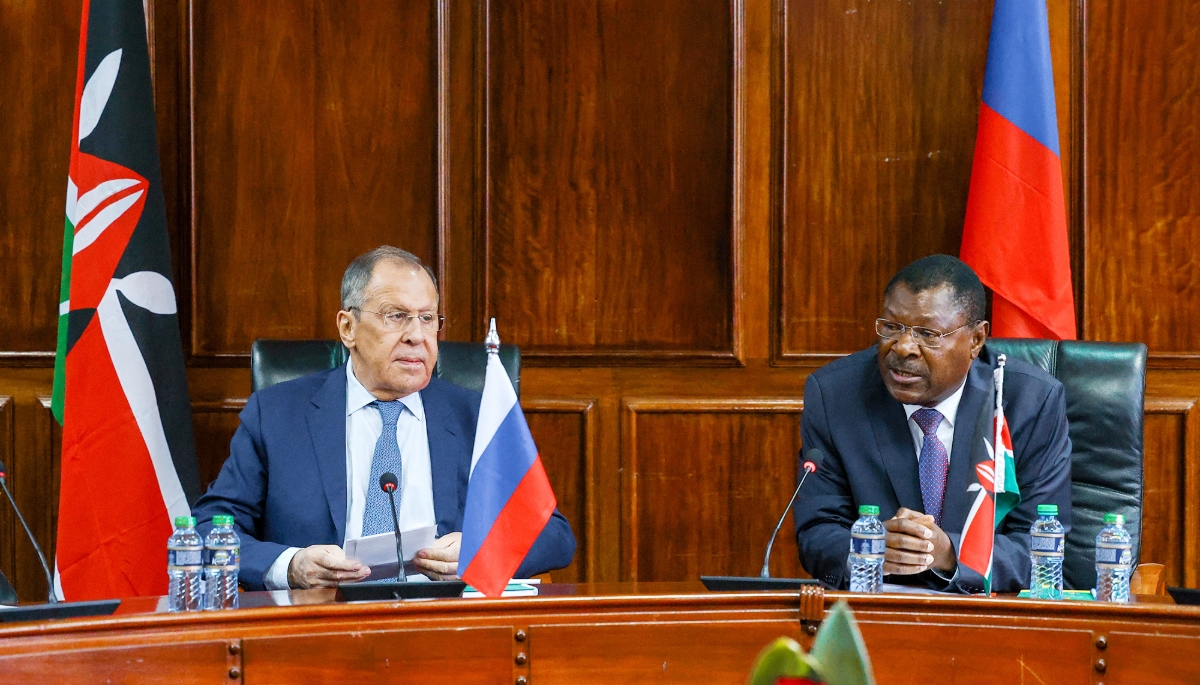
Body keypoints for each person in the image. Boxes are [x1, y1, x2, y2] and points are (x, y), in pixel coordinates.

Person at [192, 246, 576, 590]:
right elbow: (211, 529)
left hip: (446, 631)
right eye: (397, 316)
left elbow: (554, 534)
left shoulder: (476, 417)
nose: (416, 336)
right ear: (348, 327)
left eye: (428, 319)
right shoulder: (277, 415)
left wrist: (482, 552)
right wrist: (290, 566)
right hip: (319, 630)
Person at [793, 254, 1071, 593]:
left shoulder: (1029, 401)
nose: (903, 347)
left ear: (976, 341)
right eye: (892, 327)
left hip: (990, 620)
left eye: (927, 333)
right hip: (880, 616)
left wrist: (951, 553)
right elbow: (817, 529)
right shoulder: (837, 395)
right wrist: (870, 548)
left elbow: (1041, 547)